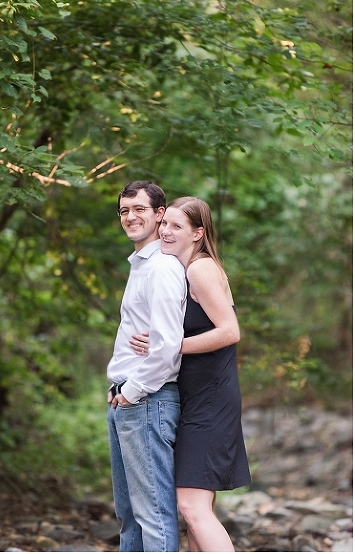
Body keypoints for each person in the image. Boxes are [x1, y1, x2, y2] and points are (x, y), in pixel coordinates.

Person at [130, 196, 251, 551]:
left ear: (198, 233)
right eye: (164, 223)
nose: (165, 231)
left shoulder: (200, 269)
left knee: (191, 507)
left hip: (211, 402)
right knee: (196, 512)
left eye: (176, 227)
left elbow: (230, 331)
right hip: (198, 398)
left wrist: (168, 345)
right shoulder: (183, 272)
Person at [106, 180, 187, 552]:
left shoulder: (162, 269)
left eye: (139, 209)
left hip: (146, 400)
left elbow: (168, 347)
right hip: (127, 398)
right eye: (124, 210)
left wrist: (131, 393)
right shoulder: (141, 266)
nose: (130, 217)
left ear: (159, 214)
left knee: (153, 514)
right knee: (130, 518)